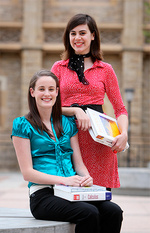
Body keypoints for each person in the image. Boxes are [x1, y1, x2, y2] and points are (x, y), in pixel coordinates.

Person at [11, 70, 123, 233]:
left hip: (72, 191)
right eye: (41, 89)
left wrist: (86, 178)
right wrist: (65, 180)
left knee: (114, 211)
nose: (46, 93)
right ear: (32, 92)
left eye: (51, 89)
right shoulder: (22, 125)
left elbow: (79, 164)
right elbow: (27, 173)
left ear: (57, 92)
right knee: (88, 213)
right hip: (43, 195)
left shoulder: (68, 123)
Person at [51, 13, 128, 189]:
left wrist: (123, 134)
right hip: (67, 139)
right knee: (71, 202)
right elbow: (47, 105)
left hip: (99, 141)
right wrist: (75, 111)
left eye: (82, 33)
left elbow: (120, 108)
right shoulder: (59, 67)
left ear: (93, 36)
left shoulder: (105, 69)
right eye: (73, 33)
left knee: (100, 201)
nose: (77, 38)